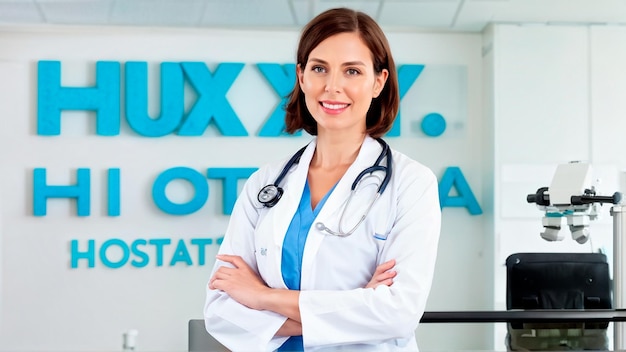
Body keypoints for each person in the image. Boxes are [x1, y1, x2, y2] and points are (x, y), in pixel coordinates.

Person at [204, 7, 441, 351]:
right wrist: (354, 306)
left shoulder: (411, 183)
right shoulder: (265, 182)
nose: (333, 87)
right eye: (319, 69)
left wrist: (260, 296)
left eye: (352, 71)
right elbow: (221, 310)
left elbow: (398, 313)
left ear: (379, 82)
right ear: (301, 78)